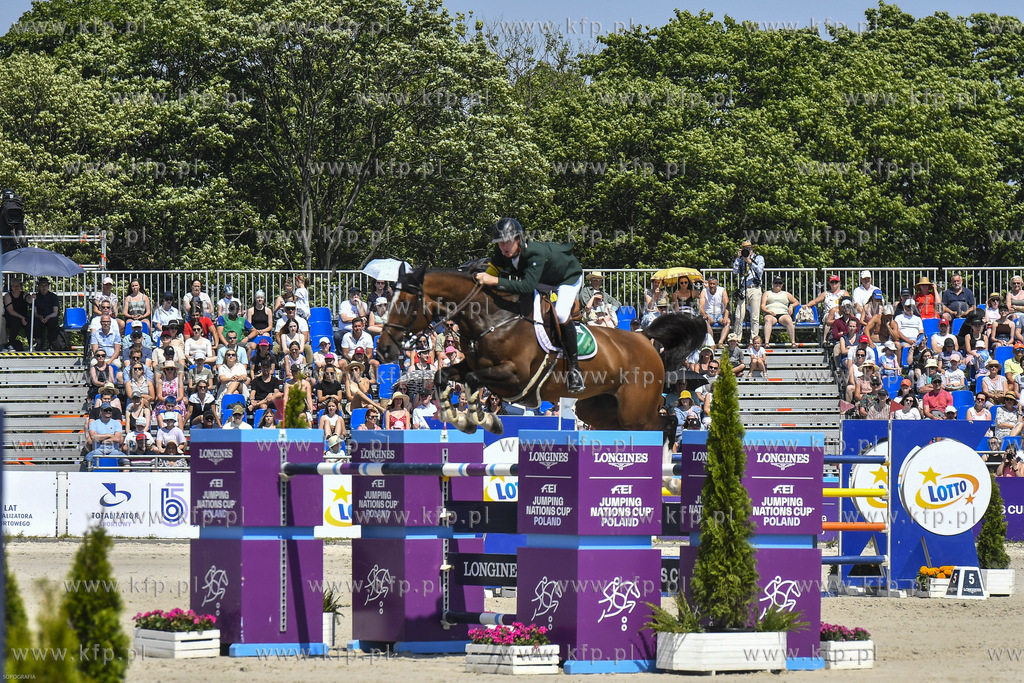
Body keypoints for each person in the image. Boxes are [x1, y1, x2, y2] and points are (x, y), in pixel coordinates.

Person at [474, 218, 586, 392]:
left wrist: (494, 280)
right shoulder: (502, 253)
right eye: (500, 243)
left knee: (561, 313)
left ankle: (575, 369)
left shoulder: (535, 253)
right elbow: (491, 272)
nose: (504, 246)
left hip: (567, 277)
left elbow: (526, 286)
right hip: (542, 279)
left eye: (508, 241)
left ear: (518, 239)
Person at [731, 239, 764, 343]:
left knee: (755, 317)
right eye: (745, 249)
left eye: (748, 248)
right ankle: (737, 338)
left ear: (752, 248)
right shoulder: (741, 260)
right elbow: (735, 271)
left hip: (755, 288)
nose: (747, 250)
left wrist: (749, 261)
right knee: (739, 315)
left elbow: (760, 270)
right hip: (744, 288)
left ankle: (753, 340)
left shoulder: (758, 258)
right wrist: (738, 258)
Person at [760, 277, 799, 347]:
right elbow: (762, 306)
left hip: (783, 314)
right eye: (776, 283)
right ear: (773, 284)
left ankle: (793, 343)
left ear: (782, 284)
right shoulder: (767, 293)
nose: (778, 285)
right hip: (771, 313)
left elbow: (796, 302)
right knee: (768, 320)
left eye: (780, 283)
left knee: (788, 319)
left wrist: (791, 306)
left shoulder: (786, 294)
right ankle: (766, 343)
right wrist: (768, 311)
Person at [85, 402, 126, 469]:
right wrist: (110, 435)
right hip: (98, 450)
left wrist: (101, 440)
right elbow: (93, 437)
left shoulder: (116, 423)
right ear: (101, 411)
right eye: (106, 410)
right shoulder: (94, 423)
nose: (108, 412)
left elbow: (117, 439)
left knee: (126, 460)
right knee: (88, 458)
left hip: (113, 450)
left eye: (110, 410)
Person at [699, 277, 731, 347]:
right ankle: (712, 342)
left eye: (714, 284)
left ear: (717, 284)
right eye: (710, 284)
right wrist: (704, 314)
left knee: (728, 321)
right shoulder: (704, 291)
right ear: (708, 284)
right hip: (708, 314)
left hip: (719, 314)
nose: (712, 285)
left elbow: (727, 304)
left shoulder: (722, 290)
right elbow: (701, 306)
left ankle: (720, 342)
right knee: (705, 322)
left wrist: (726, 316)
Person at [31, 277, 61, 350]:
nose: (44, 287)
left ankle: (51, 343)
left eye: (46, 285)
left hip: (50, 316)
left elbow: (55, 312)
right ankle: (39, 342)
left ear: (48, 286)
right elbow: (34, 312)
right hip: (39, 317)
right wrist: (39, 316)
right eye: (42, 285)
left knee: (53, 322)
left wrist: (48, 317)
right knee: (35, 322)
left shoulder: (53, 297)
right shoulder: (36, 297)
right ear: (39, 286)